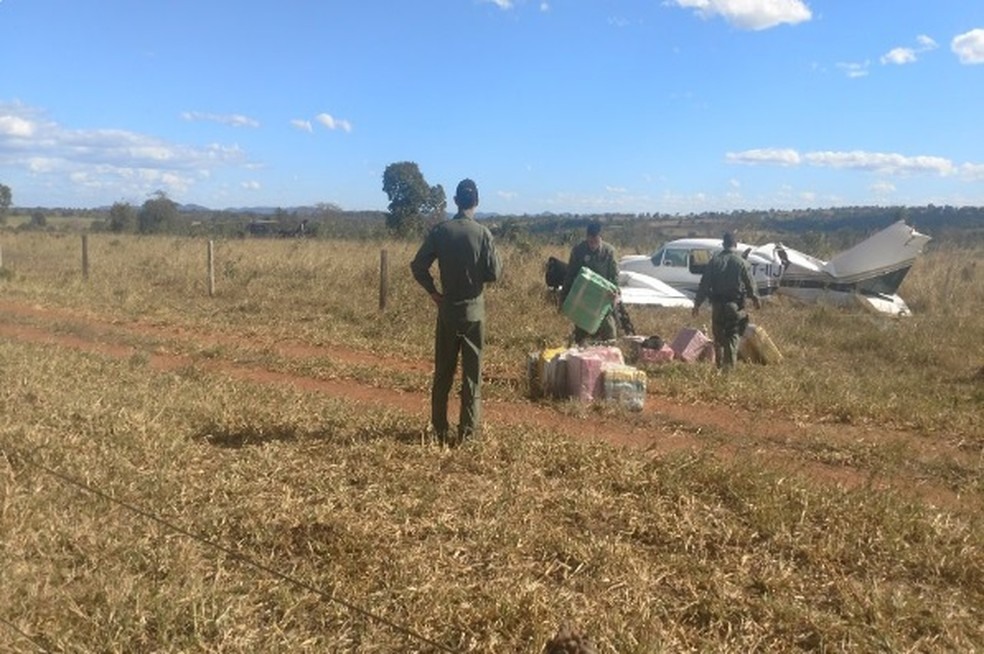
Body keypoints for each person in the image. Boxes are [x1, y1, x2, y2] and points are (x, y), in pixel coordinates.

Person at [411, 179, 502, 446]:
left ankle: (439, 429)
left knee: (443, 374)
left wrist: (434, 292)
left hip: (448, 311)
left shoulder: (441, 231)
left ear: (455, 200)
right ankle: (468, 434)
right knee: (472, 377)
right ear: (477, 202)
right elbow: (494, 273)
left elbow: (418, 266)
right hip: (474, 314)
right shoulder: (483, 233)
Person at [692, 232, 761, 370]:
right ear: (735, 245)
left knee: (718, 337)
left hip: (717, 306)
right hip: (734, 306)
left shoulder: (714, 261)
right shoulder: (742, 262)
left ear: (723, 244)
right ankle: (727, 371)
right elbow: (750, 284)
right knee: (732, 337)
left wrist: (697, 304)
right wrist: (755, 299)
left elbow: (704, 285)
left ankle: (719, 365)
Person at [560, 222, 620, 345]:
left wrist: (615, 293)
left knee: (610, 336)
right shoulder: (578, 251)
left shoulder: (609, 252)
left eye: (595, 241)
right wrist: (563, 298)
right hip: (584, 298)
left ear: (600, 238)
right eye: (590, 241)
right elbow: (570, 275)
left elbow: (614, 277)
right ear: (587, 237)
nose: (592, 245)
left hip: (602, 299)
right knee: (580, 337)